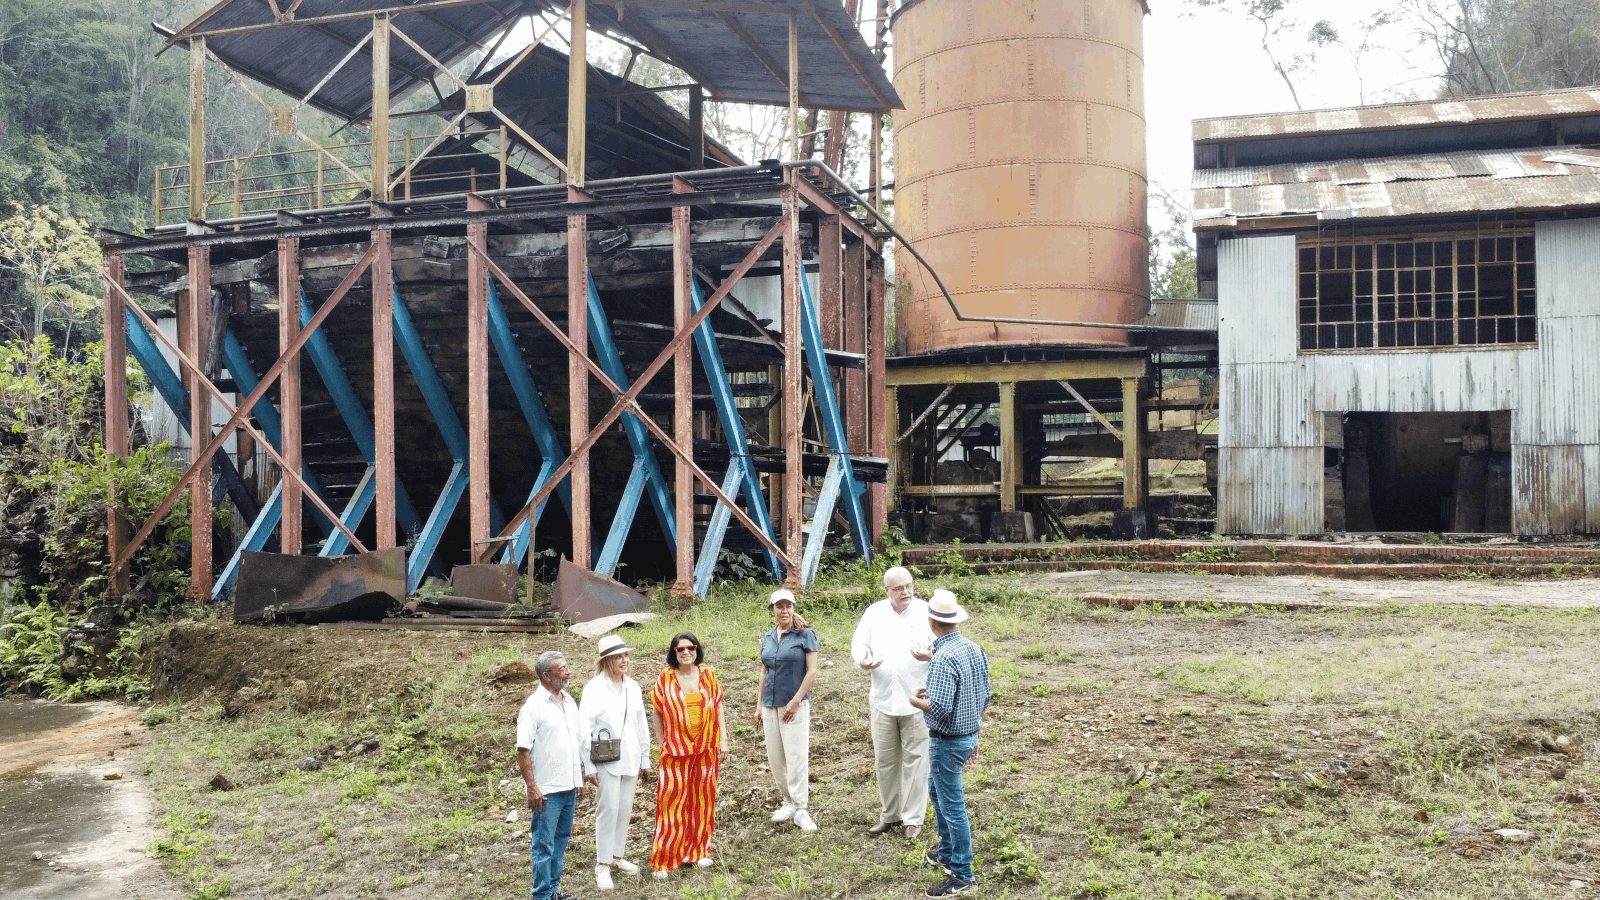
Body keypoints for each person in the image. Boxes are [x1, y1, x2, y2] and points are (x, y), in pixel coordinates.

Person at [909, 590, 991, 898]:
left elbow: (941, 708)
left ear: (932, 623)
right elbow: (984, 695)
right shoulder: (973, 649)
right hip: (966, 737)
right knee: (935, 789)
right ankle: (946, 851)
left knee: (953, 805)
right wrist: (975, 732)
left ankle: (962, 872)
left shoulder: (942, 659)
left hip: (947, 742)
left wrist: (915, 700)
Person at [850, 566, 934, 839]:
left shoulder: (926, 611)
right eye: (898, 588)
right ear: (887, 590)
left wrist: (930, 654)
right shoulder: (875, 612)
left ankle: (912, 818)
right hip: (883, 698)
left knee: (916, 759)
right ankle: (890, 814)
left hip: (916, 700)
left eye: (909, 585)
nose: (905, 592)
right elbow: (859, 643)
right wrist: (863, 660)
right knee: (885, 760)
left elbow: (941, 643)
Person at [648, 632, 728, 879]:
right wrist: (662, 743)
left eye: (690, 648)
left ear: (697, 650)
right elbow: (657, 712)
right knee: (671, 803)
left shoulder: (708, 674)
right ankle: (665, 859)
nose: (685, 653)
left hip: (705, 748)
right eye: (680, 649)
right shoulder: (666, 677)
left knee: (702, 801)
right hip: (675, 750)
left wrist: (723, 741)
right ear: (674, 653)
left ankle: (698, 851)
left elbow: (718, 707)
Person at [516, 650, 595, 900]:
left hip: (568, 786)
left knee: (560, 840)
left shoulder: (569, 701)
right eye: (562, 669)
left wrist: (578, 778)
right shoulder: (533, 706)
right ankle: (541, 895)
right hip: (547, 790)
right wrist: (532, 787)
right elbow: (523, 749)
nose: (568, 672)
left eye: (567, 667)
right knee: (544, 844)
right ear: (547, 676)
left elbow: (574, 742)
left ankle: (553, 891)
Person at [579, 635, 652, 891]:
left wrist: (646, 758)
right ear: (607, 660)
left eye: (626, 656)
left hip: (631, 755)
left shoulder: (633, 686)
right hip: (605, 758)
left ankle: (617, 856)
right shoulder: (594, 688)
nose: (624, 660)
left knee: (624, 808)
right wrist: (588, 767)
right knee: (607, 809)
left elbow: (641, 724)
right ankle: (602, 864)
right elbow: (584, 729)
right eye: (618, 657)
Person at [755, 587, 820, 832]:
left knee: (796, 755)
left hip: (794, 704)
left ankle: (801, 807)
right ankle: (787, 801)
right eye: (779, 606)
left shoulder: (805, 635)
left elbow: (812, 671)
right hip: (770, 703)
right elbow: (764, 671)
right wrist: (759, 704)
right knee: (776, 757)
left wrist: (796, 701)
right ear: (772, 610)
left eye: (788, 606)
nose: (784, 610)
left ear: (793, 608)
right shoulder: (769, 636)